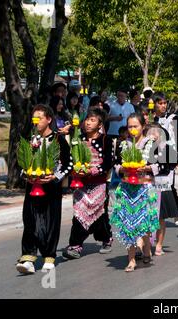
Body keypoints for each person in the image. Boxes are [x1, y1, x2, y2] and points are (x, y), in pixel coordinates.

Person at [16, 104, 72, 274]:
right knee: (30, 220)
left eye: (39, 118)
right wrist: (25, 174)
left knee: (50, 221)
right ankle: (28, 258)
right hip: (32, 187)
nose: (36, 121)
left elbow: (68, 164)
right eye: (34, 118)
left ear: (49, 119)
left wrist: (55, 177)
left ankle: (49, 256)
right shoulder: (30, 139)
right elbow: (22, 161)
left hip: (51, 188)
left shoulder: (58, 139)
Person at [111, 114, 170, 272]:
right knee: (128, 224)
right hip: (126, 189)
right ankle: (131, 259)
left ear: (143, 126)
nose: (132, 129)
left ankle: (146, 249)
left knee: (143, 224)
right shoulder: (123, 144)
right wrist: (122, 169)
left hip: (144, 188)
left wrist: (148, 168)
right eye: (130, 126)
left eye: (135, 126)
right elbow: (116, 164)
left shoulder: (151, 144)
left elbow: (163, 165)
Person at [62, 109, 114, 260]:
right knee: (79, 213)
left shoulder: (106, 140)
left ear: (100, 124)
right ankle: (75, 246)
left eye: (93, 120)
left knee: (99, 214)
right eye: (87, 120)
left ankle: (106, 238)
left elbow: (109, 162)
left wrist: (94, 170)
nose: (88, 123)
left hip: (98, 183)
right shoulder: (78, 138)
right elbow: (70, 158)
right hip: (81, 183)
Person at [152, 92, 178, 253]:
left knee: (168, 188)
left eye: (165, 103)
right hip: (151, 159)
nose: (163, 106)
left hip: (169, 159)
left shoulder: (173, 118)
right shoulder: (149, 119)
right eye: (160, 103)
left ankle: (175, 208)